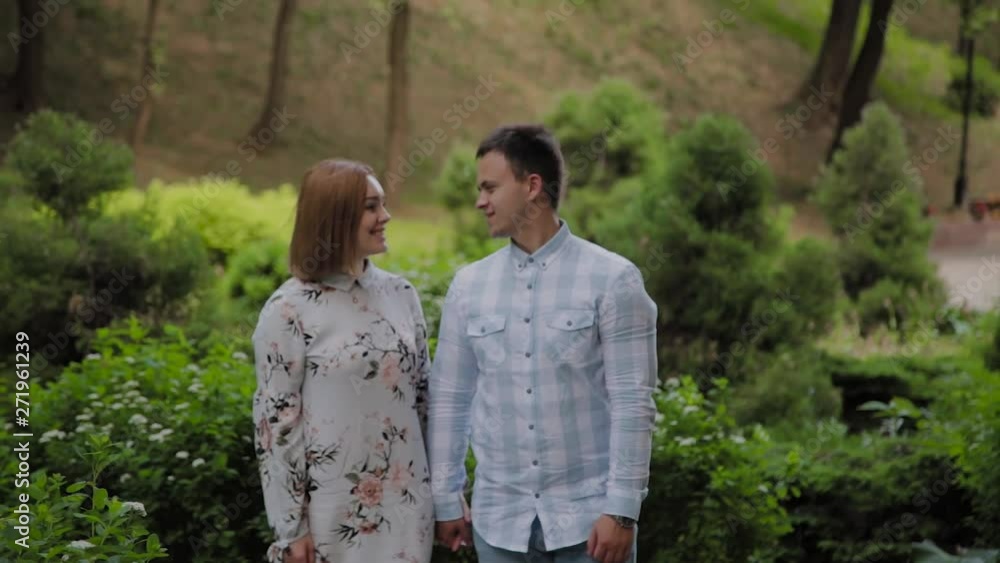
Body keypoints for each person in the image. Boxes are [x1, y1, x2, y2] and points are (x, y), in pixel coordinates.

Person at [428, 124, 659, 563]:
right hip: (499, 526)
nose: (480, 201)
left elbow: (633, 402)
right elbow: (450, 399)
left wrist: (622, 510)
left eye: (490, 188)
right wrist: (446, 497)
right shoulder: (469, 287)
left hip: (591, 527)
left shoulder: (613, 280)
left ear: (532, 186)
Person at [251, 159, 435, 563]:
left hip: (408, 511)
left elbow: (425, 400)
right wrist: (291, 529)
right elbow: (276, 428)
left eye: (382, 204)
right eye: (371, 206)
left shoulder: (402, 295)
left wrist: (448, 494)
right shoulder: (288, 310)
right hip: (330, 522)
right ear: (334, 217)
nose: (385, 216)